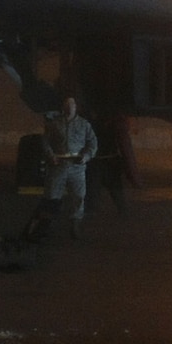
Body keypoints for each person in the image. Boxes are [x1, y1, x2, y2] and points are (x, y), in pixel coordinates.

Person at [42, 95, 98, 238]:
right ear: (63, 107)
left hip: (77, 166)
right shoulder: (54, 124)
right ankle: (48, 225)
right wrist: (51, 155)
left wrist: (86, 156)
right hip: (58, 165)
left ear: (76, 107)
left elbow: (92, 143)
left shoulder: (84, 125)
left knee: (78, 196)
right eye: (66, 104)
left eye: (71, 104)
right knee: (52, 196)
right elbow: (45, 142)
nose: (69, 107)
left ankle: (75, 225)